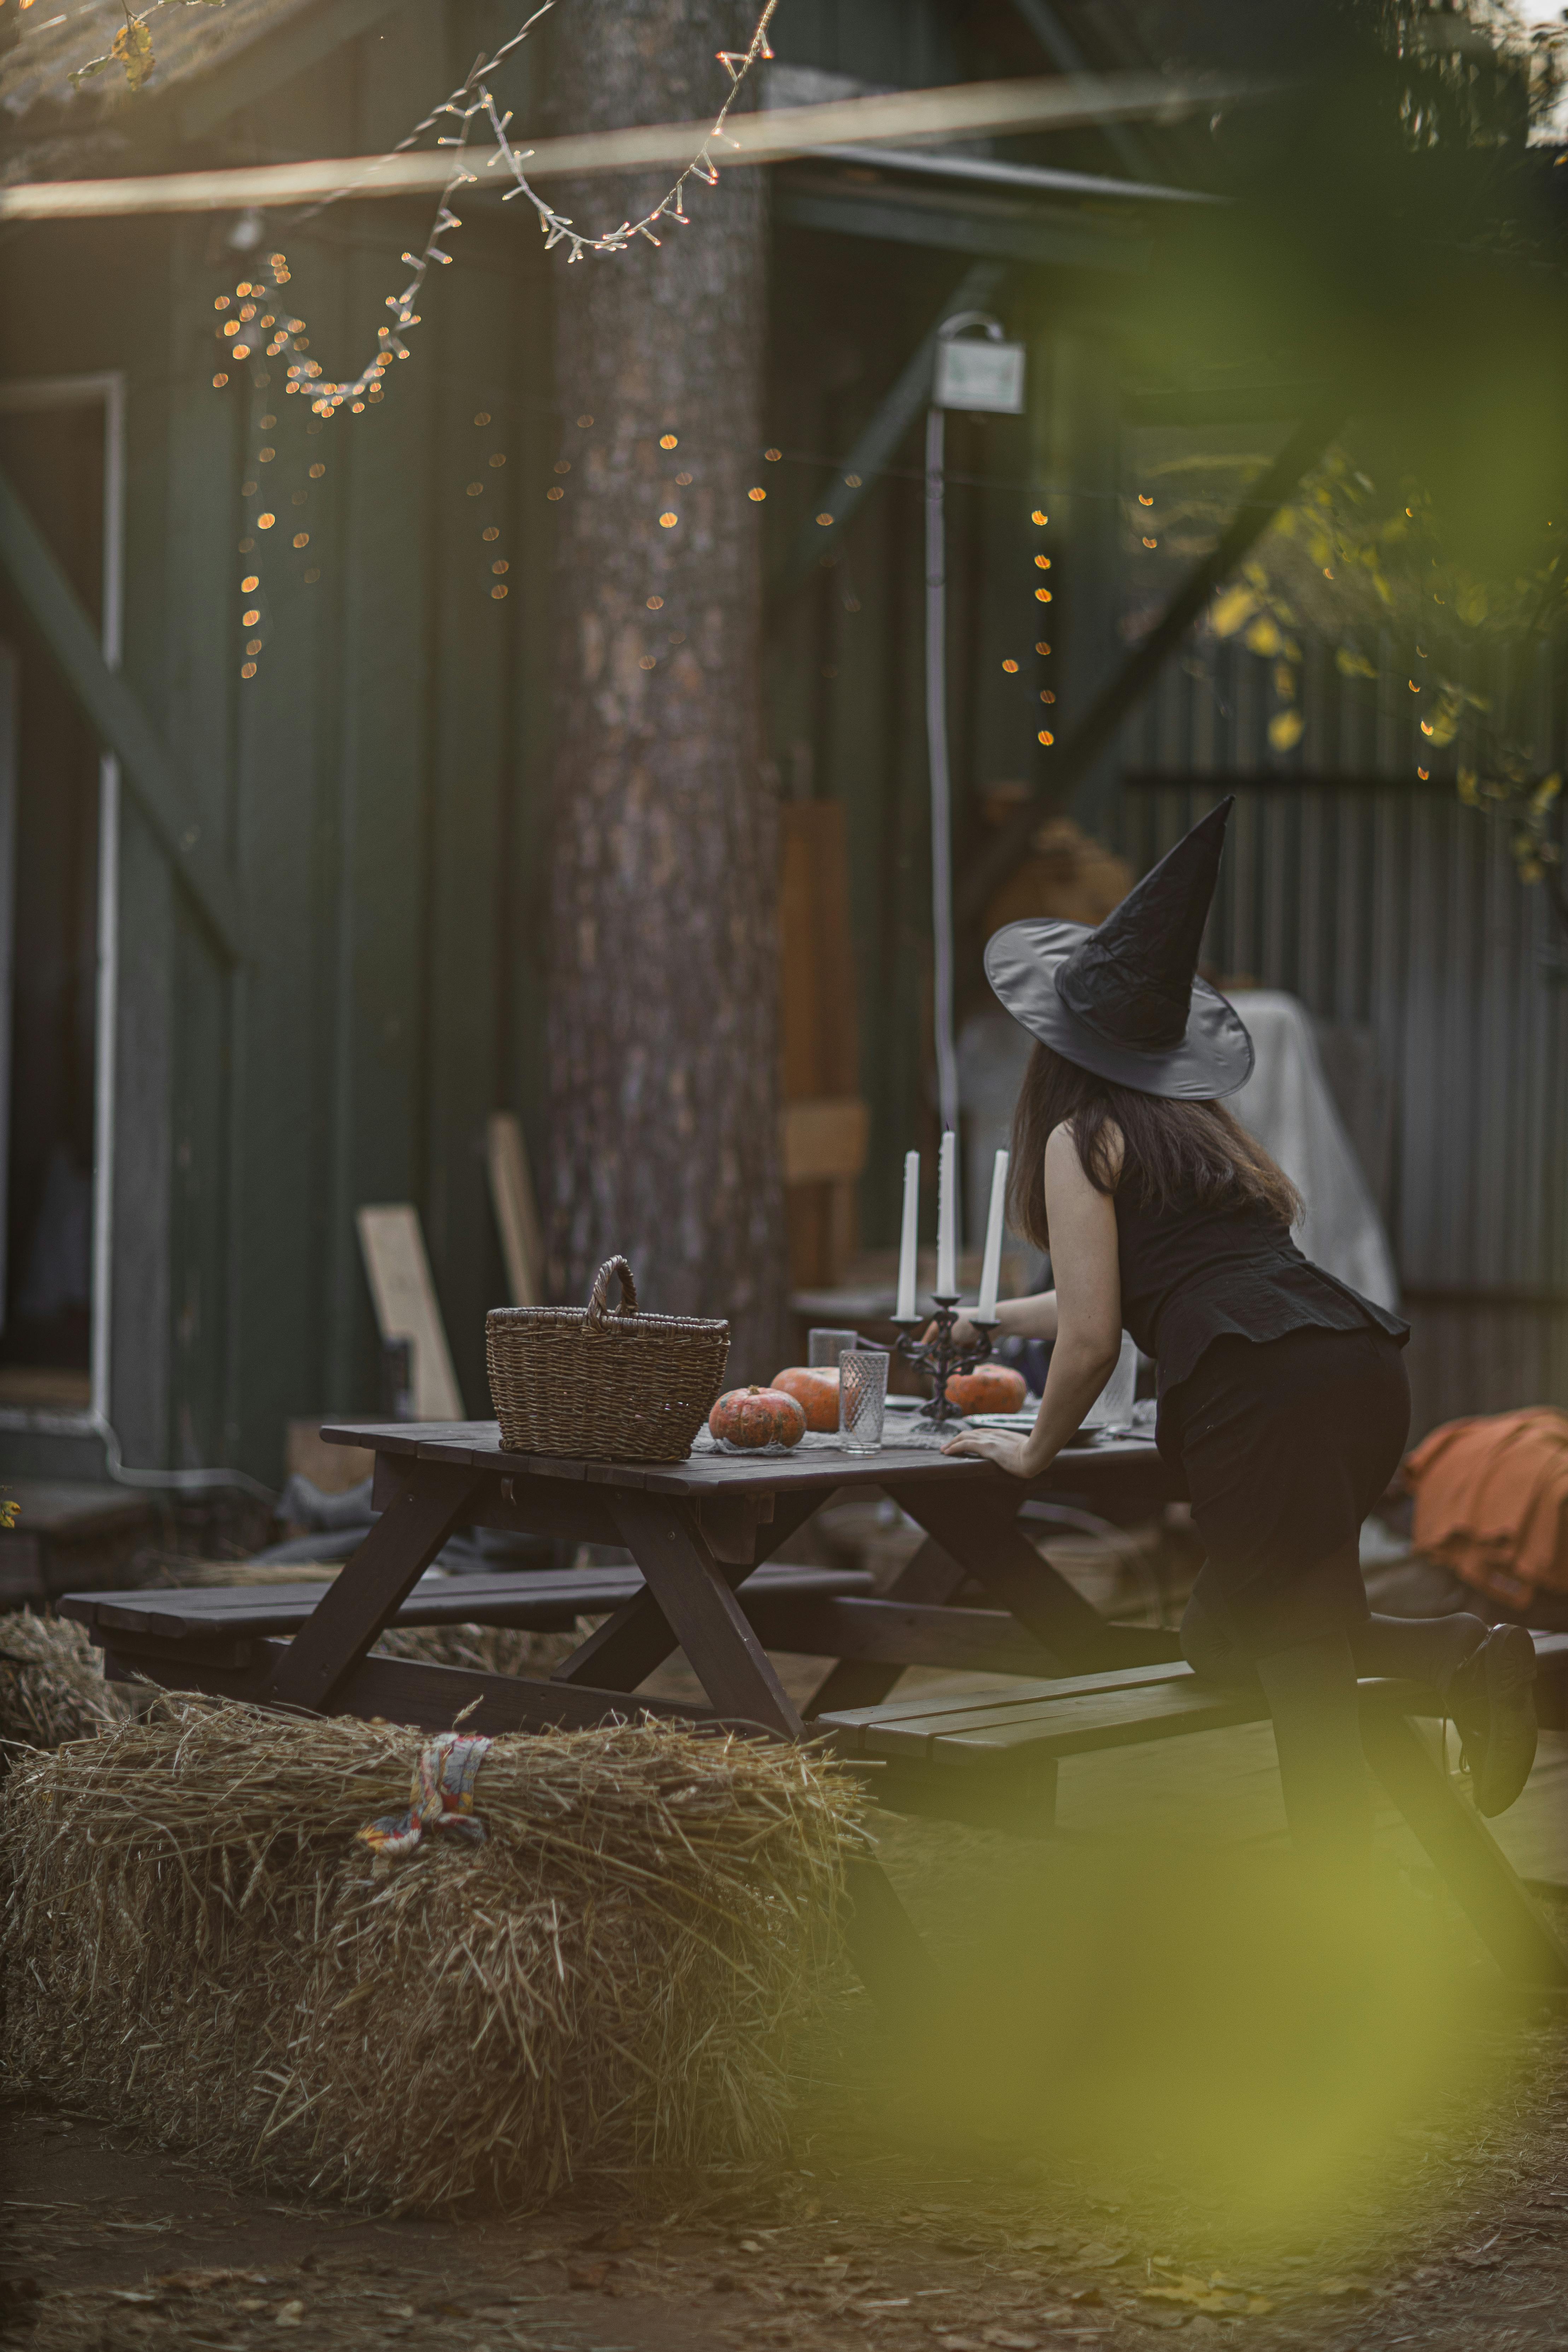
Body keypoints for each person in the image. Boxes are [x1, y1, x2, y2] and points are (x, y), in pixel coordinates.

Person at [942, 797, 1537, 1872]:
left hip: (1255, 1394)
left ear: (1055, 1047)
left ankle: (1332, 1912)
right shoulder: (1198, 1132)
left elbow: (1086, 1345)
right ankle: (1460, 1657)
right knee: (1229, 1638)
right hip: (1351, 1369)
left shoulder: (1082, 1138)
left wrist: (1031, 1452)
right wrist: (983, 1318)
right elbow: (1110, 1299)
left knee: (1295, 1660)